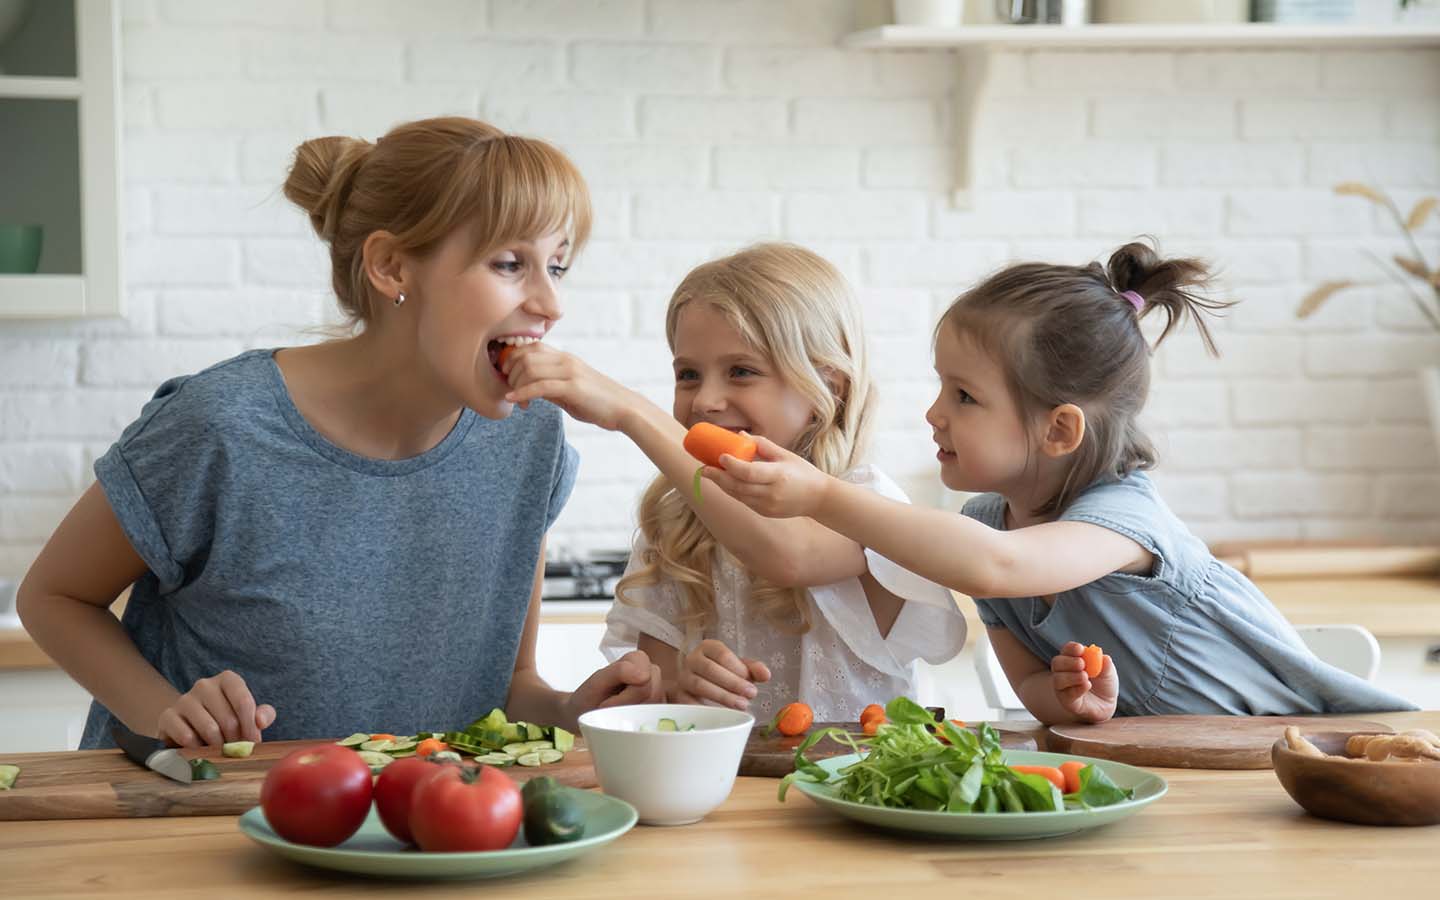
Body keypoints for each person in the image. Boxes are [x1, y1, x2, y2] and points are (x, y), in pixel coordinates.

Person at [17, 117, 663, 749]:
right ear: (390, 267)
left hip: (413, 842)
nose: (551, 305)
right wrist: (166, 712)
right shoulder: (221, 427)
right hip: (203, 830)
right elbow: (52, 597)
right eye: (509, 263)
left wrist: (575, 709)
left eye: (558, 266)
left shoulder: (530, 440)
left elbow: (510, 686)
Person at [703, 241, 1416, 724]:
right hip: (1172, 775)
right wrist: (1074, 699)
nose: (934, 414)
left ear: (1059, 431)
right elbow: (1032, 689)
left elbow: (998, 568)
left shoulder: (1121, 517)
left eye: (964, 397)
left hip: (1305, 750)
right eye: (939, 388)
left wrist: (822, 495)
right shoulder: (983, 526)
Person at [502, 243, 967, 724]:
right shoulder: (676, 526)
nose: (705, 400)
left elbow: (788, 554)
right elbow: (654, 703)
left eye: (741, 372)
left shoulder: (865, 503)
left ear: (828, 385)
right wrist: (682, 685)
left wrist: (631, 412)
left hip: (856, 789)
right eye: (688, 374)